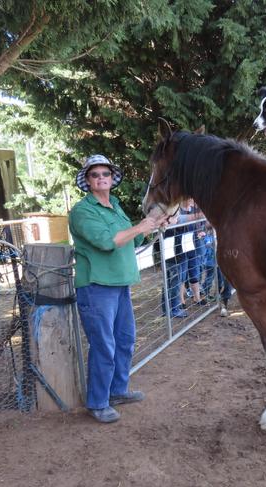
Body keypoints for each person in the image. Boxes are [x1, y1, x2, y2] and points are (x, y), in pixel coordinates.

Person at [69, 154, 168, 423]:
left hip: (120, 283)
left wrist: (152, 225)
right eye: (95, 175)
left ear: (112, 179)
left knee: (124, 340)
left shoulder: (115, 205)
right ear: (87, 181)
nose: (101, 178)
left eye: (105, 174)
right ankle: (98, 402)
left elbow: (131, 242)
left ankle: (117, 390)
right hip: (96, 287)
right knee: (104, 345)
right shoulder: (82, 211)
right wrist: (141, 226)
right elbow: (107, 241)